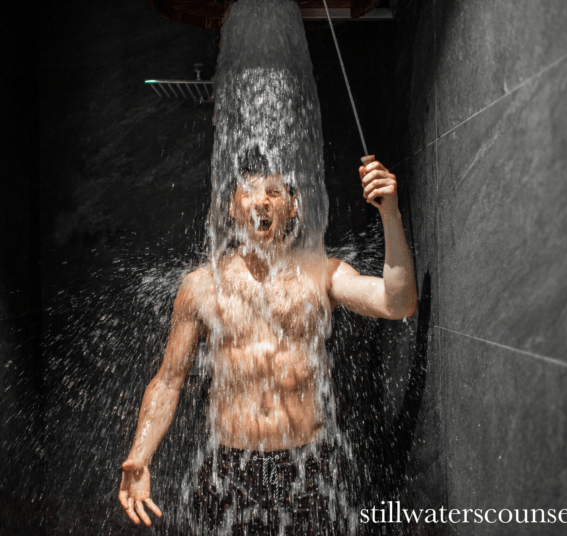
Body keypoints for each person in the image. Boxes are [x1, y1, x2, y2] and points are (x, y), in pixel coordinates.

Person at [118, 153, 417, 534]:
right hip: (230, 466)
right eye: (248, 192)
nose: (260, 201)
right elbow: (168, 381)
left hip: (307, 463)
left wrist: (390, 212)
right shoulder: (201, 287)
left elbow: (398, 303)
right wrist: (140, 455)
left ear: (293, 206)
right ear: (232, 207)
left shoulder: (322, 274)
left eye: (274, 192)